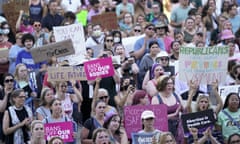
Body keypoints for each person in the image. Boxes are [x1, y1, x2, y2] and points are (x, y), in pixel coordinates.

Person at [151, 75, 184, 143]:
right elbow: (157, 119)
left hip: (177, 127)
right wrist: (174, 114)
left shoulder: (176, 95)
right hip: (164, 129)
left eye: (171, 83)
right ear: (162, 85)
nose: (170, 85)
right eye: (167, 84)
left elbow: (184, 110)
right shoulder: (156, 99)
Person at [0, 73, 15, 143]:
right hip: (3, 121)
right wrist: (6, 95)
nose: (9, 83)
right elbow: (1, 109)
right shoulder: (1, 93)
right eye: (7, 81)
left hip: (15, 120)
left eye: (11, 80)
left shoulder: (17, 91)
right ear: (3, 83)